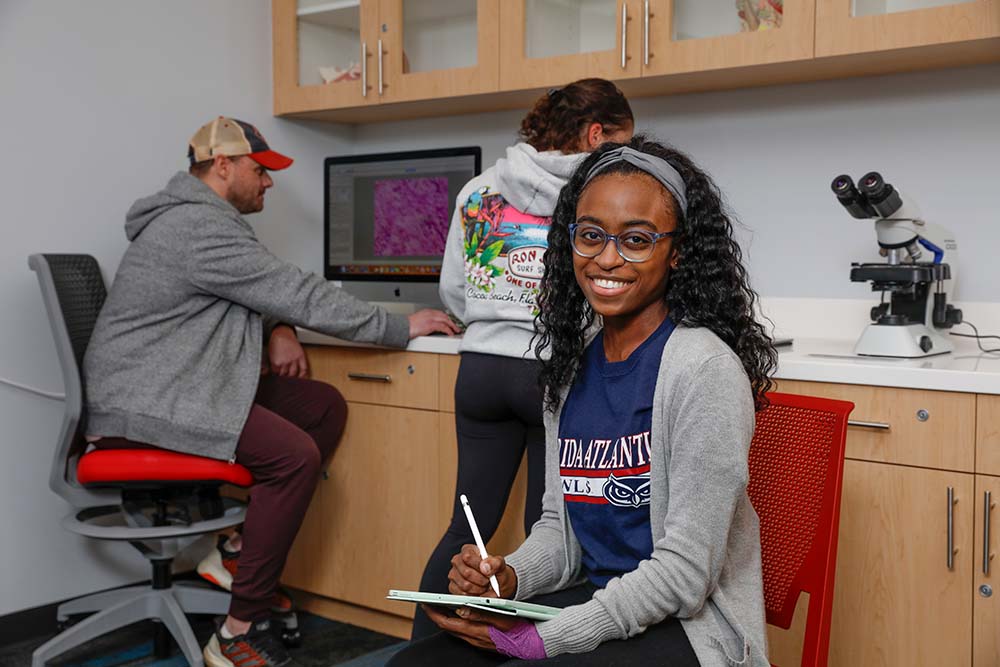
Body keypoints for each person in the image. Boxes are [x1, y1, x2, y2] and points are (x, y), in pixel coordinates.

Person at [82, 116, 459, 667]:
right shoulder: (198, 227)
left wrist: (278, 329)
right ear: (223, 166)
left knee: (321, 405)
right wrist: (401, 327)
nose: (269, 182)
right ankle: (236, 632)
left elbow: (242, 294)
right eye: (261, 170)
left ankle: (236, 552)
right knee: (293, 458)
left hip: (177, 383)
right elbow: (291, 289)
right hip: (149, 403)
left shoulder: (202, 221)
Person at [389, 136, 778, 666]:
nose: (607, 259)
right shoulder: (572, 365)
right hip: (598, 600)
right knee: (419, 663)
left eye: (637, 239)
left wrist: (546, 638)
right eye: (591, 235)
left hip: (689, 628)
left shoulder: (701, 370)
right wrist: (511, 576)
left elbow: (686, 576)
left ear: (678, 251)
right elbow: (560, 531)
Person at [412, 79, 634, 640]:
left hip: (481, 369)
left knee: (467, 526)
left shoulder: (480, 189)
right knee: (550, 534)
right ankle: (527, 650)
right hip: (553, 370)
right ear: (595, 133)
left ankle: (425, 650)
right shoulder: (596, 193)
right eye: (622, 143)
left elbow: (454, 291)